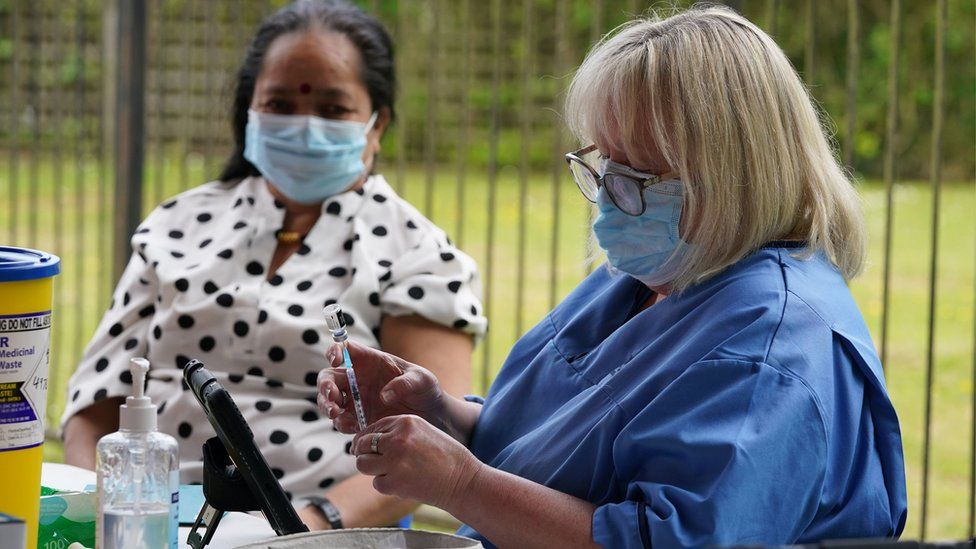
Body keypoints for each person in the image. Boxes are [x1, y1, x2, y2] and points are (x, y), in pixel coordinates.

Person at [317, 6, 908, 548]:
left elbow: (667, 540)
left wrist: (464, 486)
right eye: (603, 165)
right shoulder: (658, 275)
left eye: (639, 177)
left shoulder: (769, 351)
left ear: (733, 176)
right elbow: (556, 445)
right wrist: (440, 413)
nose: (607, 201)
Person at [61, 0, 486, 531]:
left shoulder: (417, 254)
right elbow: (95, 402)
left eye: (333, 110)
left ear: (377, 125)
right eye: (279, 104)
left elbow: (434, 439)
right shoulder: (175, 225)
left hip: (321, 530)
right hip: (145, 517)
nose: (303, 125)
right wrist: (114, 515)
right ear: (250, 115)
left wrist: (305, 528)